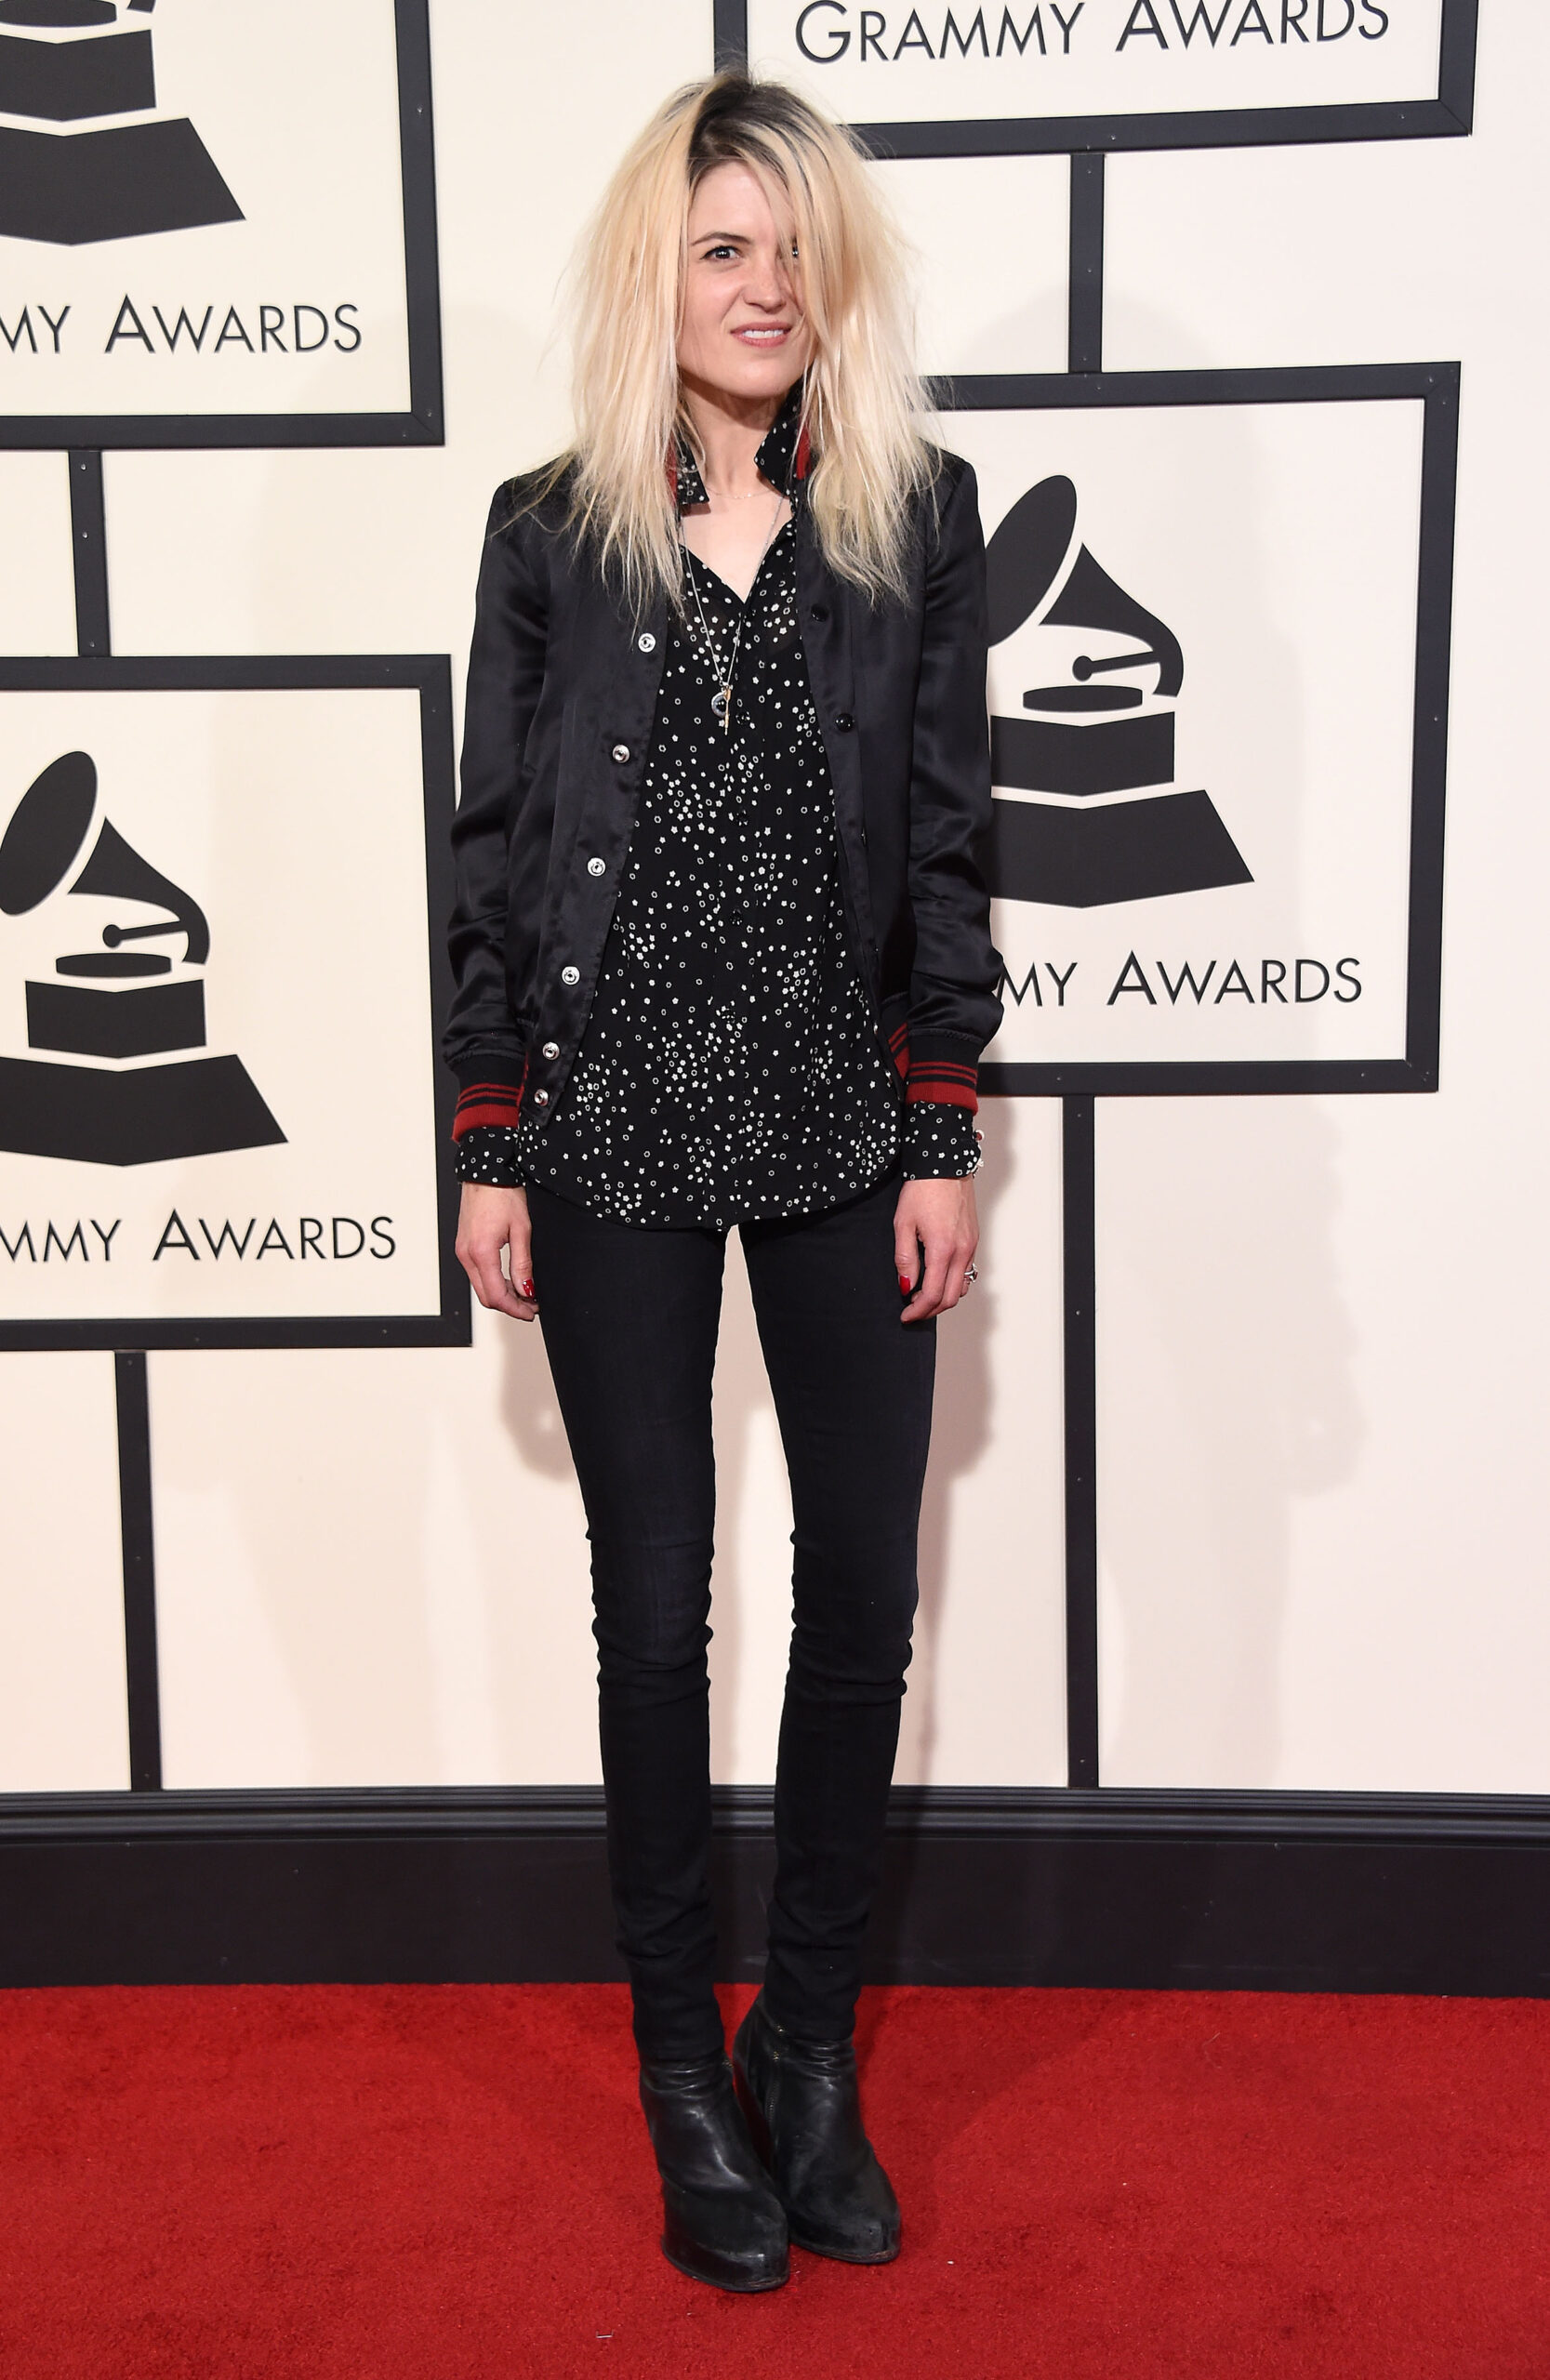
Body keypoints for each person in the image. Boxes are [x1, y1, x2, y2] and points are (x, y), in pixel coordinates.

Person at [444, 72, 1000, 2294]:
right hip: (610, 1129)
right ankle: (685, 2070)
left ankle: (813, 2056)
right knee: (653, 1600)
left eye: (791, 249)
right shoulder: (549, 529)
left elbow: (950, 841)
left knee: (865, 1590)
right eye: (720, 248)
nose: (764, 288)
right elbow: (492, 846)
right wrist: (486, 1125)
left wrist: (942, 1122)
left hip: (838, 1128)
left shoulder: (914, 516)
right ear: (654, 279)